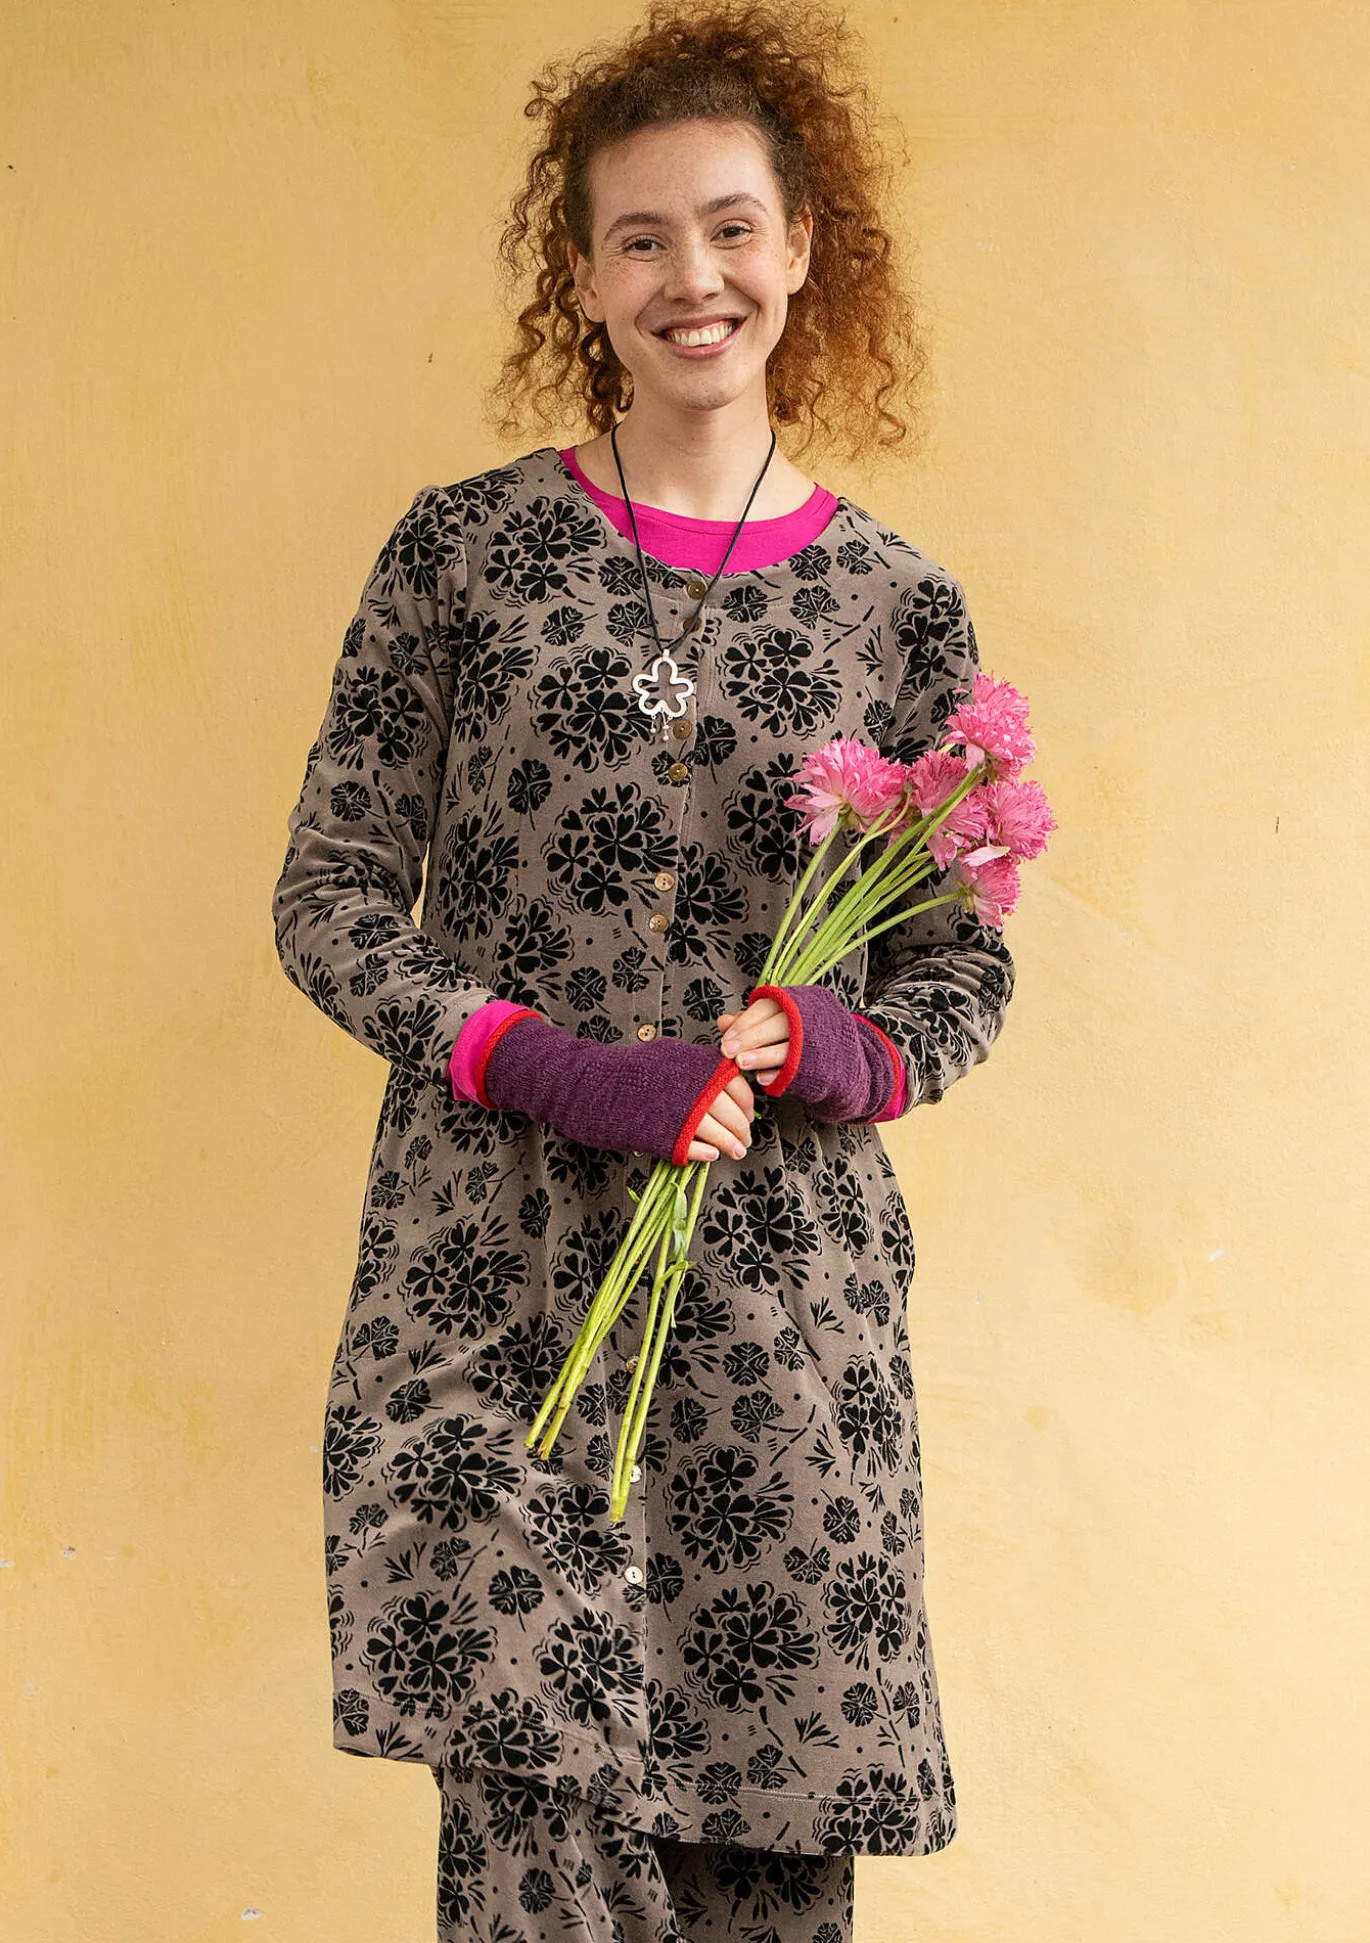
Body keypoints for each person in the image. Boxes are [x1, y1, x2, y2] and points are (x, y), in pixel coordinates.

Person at [271, 3, 1016, 1936]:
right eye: (641, 238)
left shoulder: (896, 606)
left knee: (766, 1860)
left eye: (732, 227)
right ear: (584, 274)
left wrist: (843, 1045)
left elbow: (960, 973)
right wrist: (551, 1063)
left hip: (780, 1315)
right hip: (495, 1287)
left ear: (803, 248)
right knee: (532, 1846)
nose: (695, 277)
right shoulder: (464, 556)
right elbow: (329, 896)